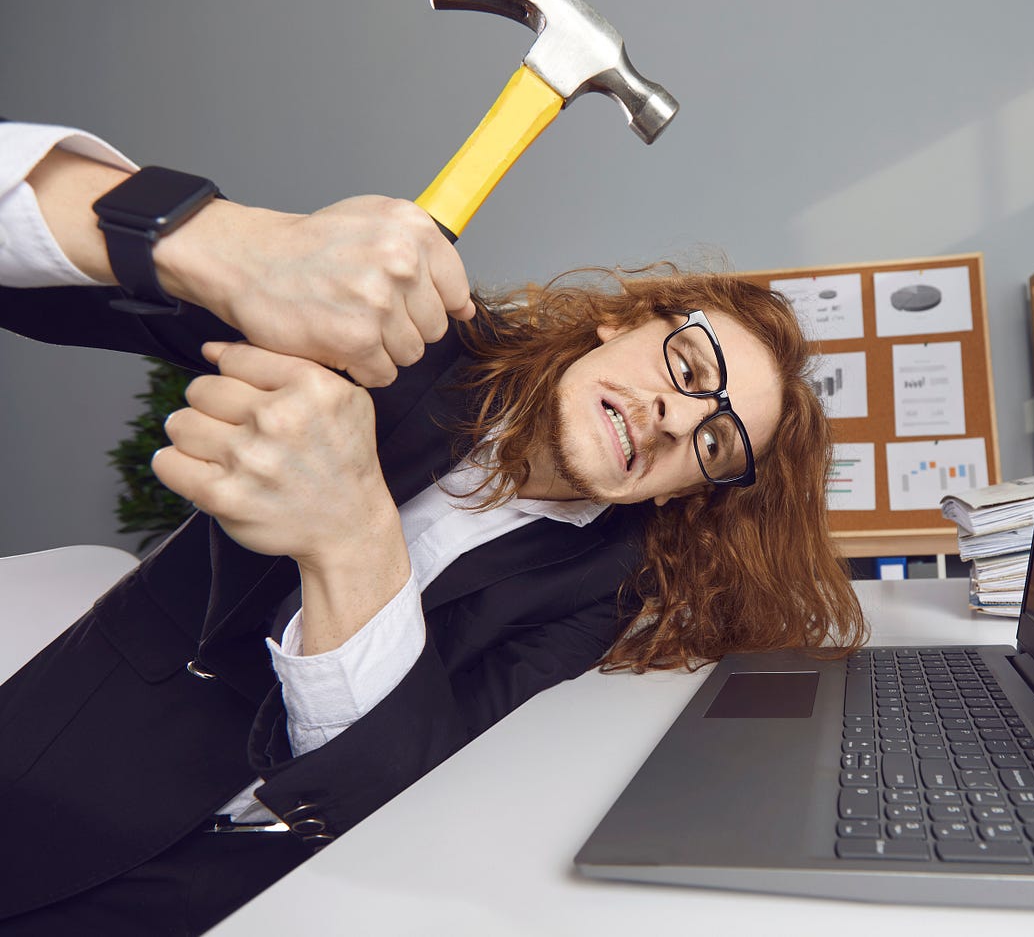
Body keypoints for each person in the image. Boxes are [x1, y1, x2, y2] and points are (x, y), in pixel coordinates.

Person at [0, 121, 865, 935]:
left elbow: (408, 781)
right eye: (689, 366)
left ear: (685, 494)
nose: (676, 417)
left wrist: (354, 534)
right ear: (622, 321)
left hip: (265, 889)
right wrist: (223, 242)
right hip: (68, 768)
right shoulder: (405, 338)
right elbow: (50, 280)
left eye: (716, 444)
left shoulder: (602, 584)